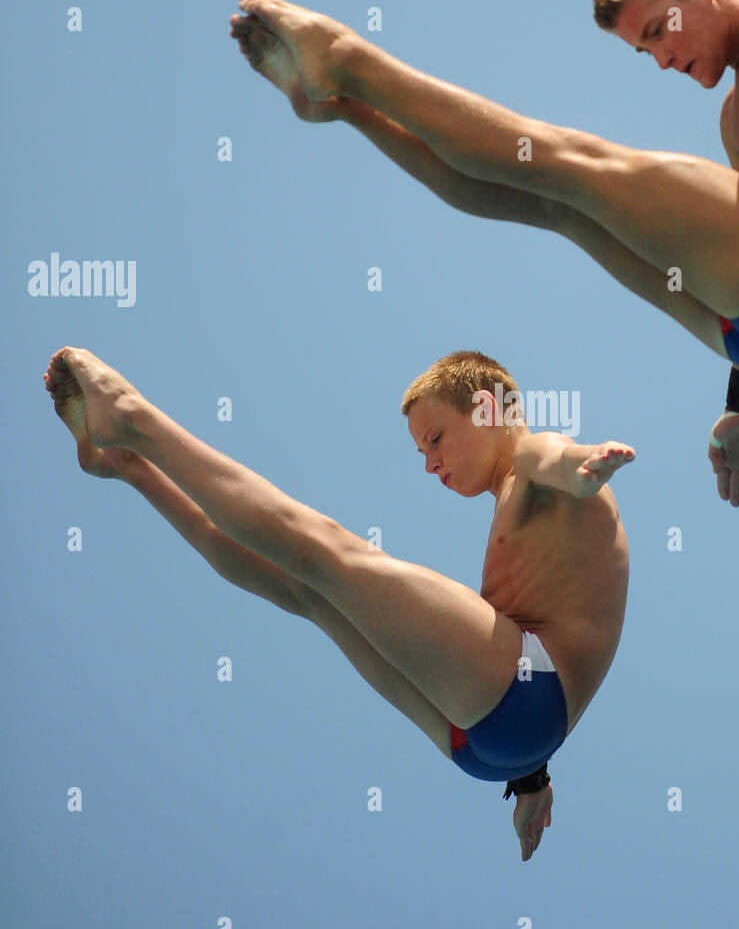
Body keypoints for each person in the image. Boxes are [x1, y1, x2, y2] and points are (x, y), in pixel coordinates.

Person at [228, 0, 739, 506]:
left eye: (657, 31)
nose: (662, 59)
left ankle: (347, 58)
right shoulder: (734, 121)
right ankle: (347, 106)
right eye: (644, 52)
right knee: (553, 205)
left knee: (565, 161)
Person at [44, 346, 633, 861]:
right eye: (424, 451)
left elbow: (555, 457)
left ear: (486, 408)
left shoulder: (532, 455)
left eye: (434, 439)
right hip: (491, 744)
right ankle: (129, 465)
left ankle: (132, 417)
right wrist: (531, 777)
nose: (430, 463)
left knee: (328, 553)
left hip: (520, 708)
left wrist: (583, 470)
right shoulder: (516, 506)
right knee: (308, 591)